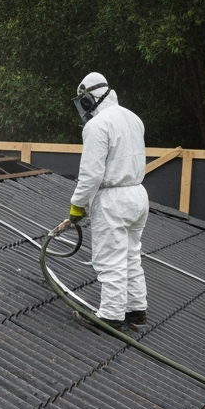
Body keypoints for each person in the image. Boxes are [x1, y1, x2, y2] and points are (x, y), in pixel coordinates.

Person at [67, 72, 148, 329]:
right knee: (131, 255)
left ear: (89, 99)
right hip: (138, 195)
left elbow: (91, 174)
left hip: (114, 199)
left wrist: (77, 204)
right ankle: (136, 310)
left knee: (110, 259)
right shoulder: (133, 118)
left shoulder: (97, 125)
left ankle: (111, 316)